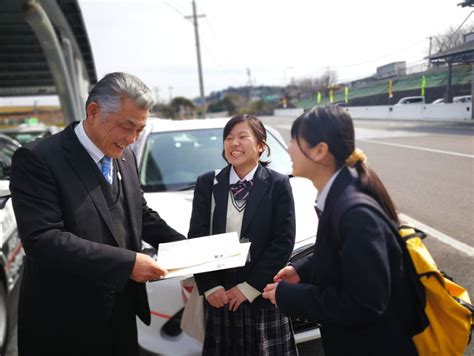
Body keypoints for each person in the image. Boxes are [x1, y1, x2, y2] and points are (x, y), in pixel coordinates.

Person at [9, 72, 185, 356]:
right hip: (64, 323)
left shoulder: (123, 155)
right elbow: (43, 239)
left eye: (140, 130)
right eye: (127, 127)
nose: (132, 139)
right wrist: (128, 264)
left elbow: (140, 213)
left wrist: (190, 248)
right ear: (93, 112)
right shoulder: (39, 159)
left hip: (121, 316)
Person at [262, 106, 418, 356]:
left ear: (320, 151)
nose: (289, 148)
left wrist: (291, 296)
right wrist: (300, 271)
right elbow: (341, 253)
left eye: (294, 140)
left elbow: (364, 303)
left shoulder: (355, 213)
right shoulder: (339, 197)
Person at [188, 114, 298, 355]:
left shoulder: (278, 184)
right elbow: (196, 238)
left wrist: (249, 288)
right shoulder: (208, 183)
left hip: (261, 294)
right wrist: (210, 287)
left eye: (242, 137)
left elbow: (283, 241)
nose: (233, 143)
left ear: (260, 145)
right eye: (228, 138)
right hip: (221, 297)